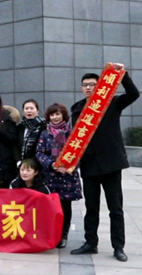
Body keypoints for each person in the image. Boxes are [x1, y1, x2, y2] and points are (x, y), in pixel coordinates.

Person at [70, 64, 138, 262]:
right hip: (89, 165)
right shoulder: (77, 109)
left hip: (111, 164)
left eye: (92, 84)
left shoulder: (112, 103)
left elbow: (133, 94)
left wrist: (122, 74)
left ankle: (118, 247)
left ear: (100, 86)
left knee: (115, 208)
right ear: (81, 88)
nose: (88, 88)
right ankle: (90, 243)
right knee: (91, 208)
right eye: (85, 85)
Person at [35, 103, 81, 249]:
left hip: (67, 176)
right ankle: (51, 233)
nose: (55, 117)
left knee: (65, 206)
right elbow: (39, 153)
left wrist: (68, 167)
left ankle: (63, 235)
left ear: (63, 115)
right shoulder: (45, 133)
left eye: (57, 114)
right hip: (50, 175)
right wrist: (52, 164)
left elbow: (79, 152)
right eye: (52, 115)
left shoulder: (72, 133)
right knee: (50, 206)